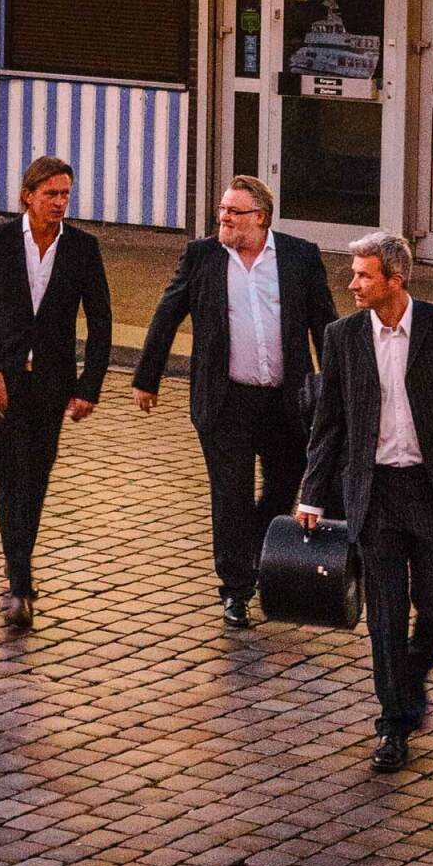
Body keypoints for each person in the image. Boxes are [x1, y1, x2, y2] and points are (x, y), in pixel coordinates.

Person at [298, 232, 433, 774]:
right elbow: (329, 421)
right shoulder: (342, 336)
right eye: (353, 273)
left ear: (394, 281)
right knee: (384, 613)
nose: (352, 284)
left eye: (363, 275)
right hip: (373, 492)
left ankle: (408, 679)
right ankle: (393, 724)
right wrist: (312, 493)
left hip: (429, 488)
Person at [131, 175, 337, 628]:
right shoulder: (202, 257)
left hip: (285, 400)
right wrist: (147, 378)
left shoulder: (299, 257)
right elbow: (168, 313)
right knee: (231, 496)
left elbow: (326, 325)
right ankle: (236, 589)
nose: (223, 217)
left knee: (285, 484)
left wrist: (338, 388)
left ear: (260, 218)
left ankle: (258, 552)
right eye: (222, 210)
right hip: (226, 400)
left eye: (233, 212)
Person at [0, 155, 111, 630]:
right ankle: (19, 581)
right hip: (1, 383)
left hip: (51, 385)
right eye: (51, 194)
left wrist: (89, 386)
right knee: (10, 473)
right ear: (28, 196)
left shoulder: (82, 248)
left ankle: (19, 563)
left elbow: (100, 323)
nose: (60, 203)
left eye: (65, 194)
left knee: (36, 477)